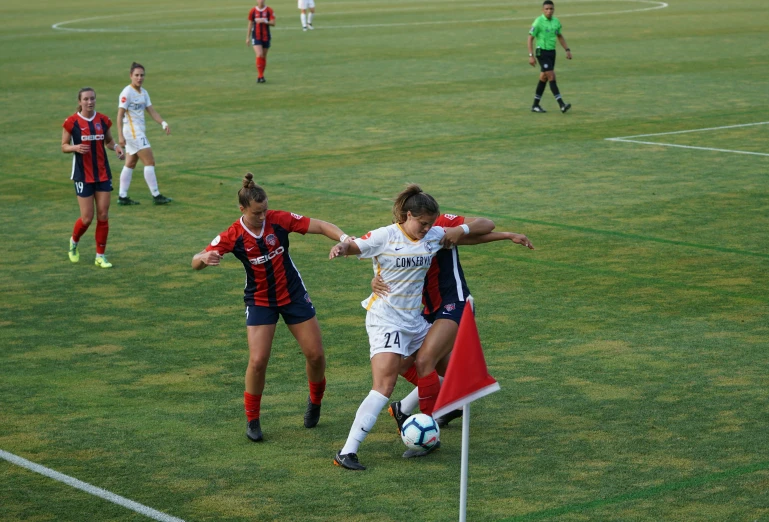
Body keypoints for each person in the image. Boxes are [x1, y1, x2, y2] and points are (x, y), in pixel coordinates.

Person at [329, 185, 482, 471]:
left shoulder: (433, 235)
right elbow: (356, 246)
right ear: (407, 215)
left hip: (415, 321)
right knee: (384, 385)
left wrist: (465, 230)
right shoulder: (385, 235)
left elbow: (483, 227)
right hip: (385, 319)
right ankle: (347, 452)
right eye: (422, 223)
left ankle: (424, 418)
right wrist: (341, 247)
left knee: (452, 373)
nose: (427, 229)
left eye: (431, 224)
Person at [192, 173, 351, 443]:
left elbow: (322, 226)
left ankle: (315, 401)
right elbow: (195, 262)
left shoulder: (278, 219)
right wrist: (203, 258)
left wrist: (346, 239)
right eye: (257, 213)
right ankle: (252, 420)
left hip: (293, 295)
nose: (263, 216)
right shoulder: (233, 235)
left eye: (265, 210)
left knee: (315, 355)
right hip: (260, 301)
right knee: (257, 361)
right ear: (242, 210)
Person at [381, 220, 534, 456]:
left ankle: (427, 432)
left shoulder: (437, 224)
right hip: (427, 312)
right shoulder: (396, 235)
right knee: (404, 363)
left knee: (425, 362)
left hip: (455, 304)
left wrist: (500, 234)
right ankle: (414, 406)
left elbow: (482, 227)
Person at [62, 87, 125, 269]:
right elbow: (64, 146)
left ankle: (100, 256)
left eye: (92, 99)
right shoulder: (71, 122)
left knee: (103, 215)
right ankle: (74, 241)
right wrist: (75, 148)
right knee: (87, 218)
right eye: (86, 99)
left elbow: (109, 142)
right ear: (80, 101)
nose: (90, 102)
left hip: (103, 173)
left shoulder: (103, 120)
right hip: (82, 175)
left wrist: (117, 149)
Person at [116, 62, 173, 205]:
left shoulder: (144, 92)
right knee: (149, 161)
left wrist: (163, 123)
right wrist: (120, 136)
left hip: (138, 132)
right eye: (136, 75)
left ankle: (122, 196)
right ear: (131, 76)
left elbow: (151, 111)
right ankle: (156, 195)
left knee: (130, 163)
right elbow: (119, 115)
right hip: (133, 132)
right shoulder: (127, 93)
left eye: (142, 75)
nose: (139, 78)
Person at [528, 0, 572, 113]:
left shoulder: (556, 21)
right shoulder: (538, 22)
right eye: (546, 9)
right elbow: (530, 38)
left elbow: (560, 36)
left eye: (551, 9)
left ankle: (535, 105)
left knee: (544, 78)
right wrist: (531, 56)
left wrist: (567, 50)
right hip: (541, 52)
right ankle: (562, 104)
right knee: (551, 76)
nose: (549, 11)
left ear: (554, 9)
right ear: (543, 10)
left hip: (552, 53)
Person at [246, 0, 276, 83]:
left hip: (266, 36)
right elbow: (250, 23)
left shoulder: (269, 10)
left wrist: (265, 21)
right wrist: (247, 37)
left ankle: (261, 76)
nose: (261, 1)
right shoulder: (253, 11)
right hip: (256, 36)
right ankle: (260, 76)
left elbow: (273, 23)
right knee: (259, 54)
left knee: (263, 56)